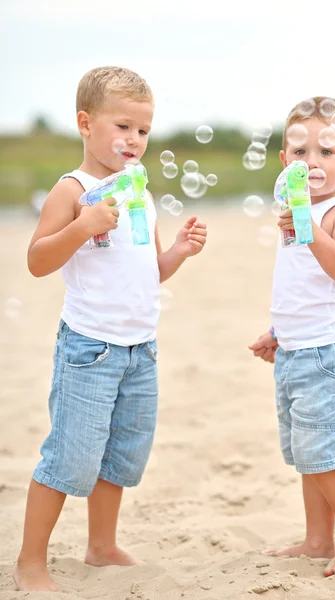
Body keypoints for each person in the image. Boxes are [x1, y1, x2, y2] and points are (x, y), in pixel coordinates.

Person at [13, 66, 207, 592]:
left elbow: (151, 271)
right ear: (85, 123)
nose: (135, 140)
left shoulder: (140, 193)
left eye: (143, 131)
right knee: (70, 456)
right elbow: (36, 261)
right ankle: (31, 561)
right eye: (123, 127)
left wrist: (178, 254)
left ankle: (101, 546)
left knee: (121, 453)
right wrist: (82, 225)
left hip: (140, 349)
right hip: (90, 349)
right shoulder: (72, 190)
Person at [249, 96, 335, 576]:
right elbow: (302, 287)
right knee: (309, 453)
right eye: (300, 153)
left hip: (330, 354)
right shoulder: (294, 212)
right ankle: (318, 538)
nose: (313, 163)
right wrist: (280, 332)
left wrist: (309, 228)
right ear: (285, 162)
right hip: (297, 349)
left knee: (327, 456)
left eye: (327, 151)